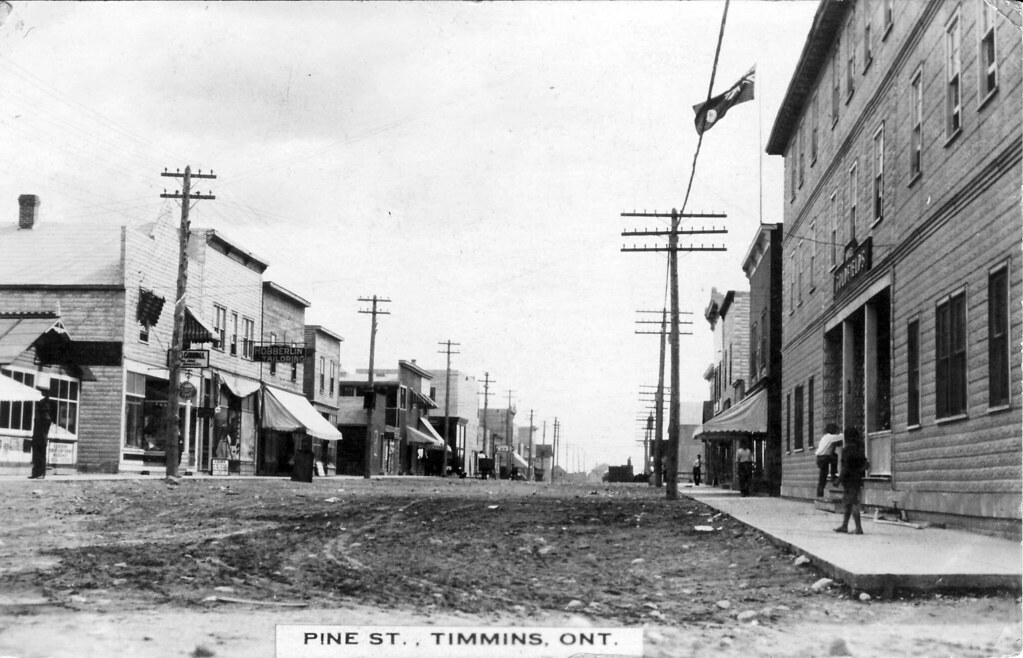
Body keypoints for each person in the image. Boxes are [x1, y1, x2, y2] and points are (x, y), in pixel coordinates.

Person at [834, 426, 869, 535]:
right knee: (848, 503)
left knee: (852, 503)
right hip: (857, 479)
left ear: (847, 438)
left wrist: (838, 480)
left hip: (849, 480)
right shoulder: (859, 450)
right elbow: (866, 465)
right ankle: (844, 526)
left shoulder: (846, 451)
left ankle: (859, 528)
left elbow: (845, 468)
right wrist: (858, 471)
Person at [814, 422, 843, 498]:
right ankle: (833, 475)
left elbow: (834, 444)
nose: (837, 432)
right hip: (824, 458)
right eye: (837, 430)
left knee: (822, 477)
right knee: (835, 456)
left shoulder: (825, 437)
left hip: (819, 458)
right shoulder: (831, 437)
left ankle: (819, 494)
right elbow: (843, 436)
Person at [29, 395, 52, 479]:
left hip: (41, 439)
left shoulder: (45, 418)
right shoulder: (42, 417)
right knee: (37, 457)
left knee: (40, 457)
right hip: (39, 438)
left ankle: (40, 473)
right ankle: (37, 473)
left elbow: (42, 429)